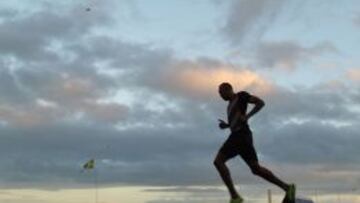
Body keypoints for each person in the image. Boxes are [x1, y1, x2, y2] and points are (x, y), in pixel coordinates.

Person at [213, 82, 296, 203]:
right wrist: (227, 125)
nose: (220, 95)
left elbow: (260, 103)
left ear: (228, 89)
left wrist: (248, 116)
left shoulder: (241, 96)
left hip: (240, 135)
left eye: (220, 92)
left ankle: (235, 197)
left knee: (218, 161)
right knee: (256, 169)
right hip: (242, 136)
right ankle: (287, 187)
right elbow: (238, 120)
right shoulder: (230, 105)